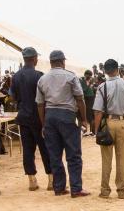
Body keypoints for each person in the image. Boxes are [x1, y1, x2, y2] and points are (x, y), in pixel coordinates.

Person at [36, 49, 90, 197]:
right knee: (73, 154)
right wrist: (84, 119)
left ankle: (59, 187)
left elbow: (40, 104)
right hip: (67, 116)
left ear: (51, 62)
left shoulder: (42, 79)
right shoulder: (71, 76)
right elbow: (80, 99)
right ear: (62, 62)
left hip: (50, 116)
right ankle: (76, 188)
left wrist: (44, 124)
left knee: (54, 155)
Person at [91, 58, 124, 199]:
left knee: (106, 159)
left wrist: (97, 130)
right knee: (122, 159)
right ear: (118, 69)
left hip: (107, 124)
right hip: (122, 123)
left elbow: (98, 112)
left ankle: (105, 190)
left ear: (105, 71)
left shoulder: (102, 87)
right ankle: (122, 191)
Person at [9, 47, 51, 191]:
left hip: (23, 117)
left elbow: (12, 97)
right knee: (45, 148)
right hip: (38, 118)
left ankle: (32, 181)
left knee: (28, 150)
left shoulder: (16, 76)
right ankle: (51, 180)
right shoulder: (39, 76)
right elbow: (45, 98)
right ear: (34, 59)